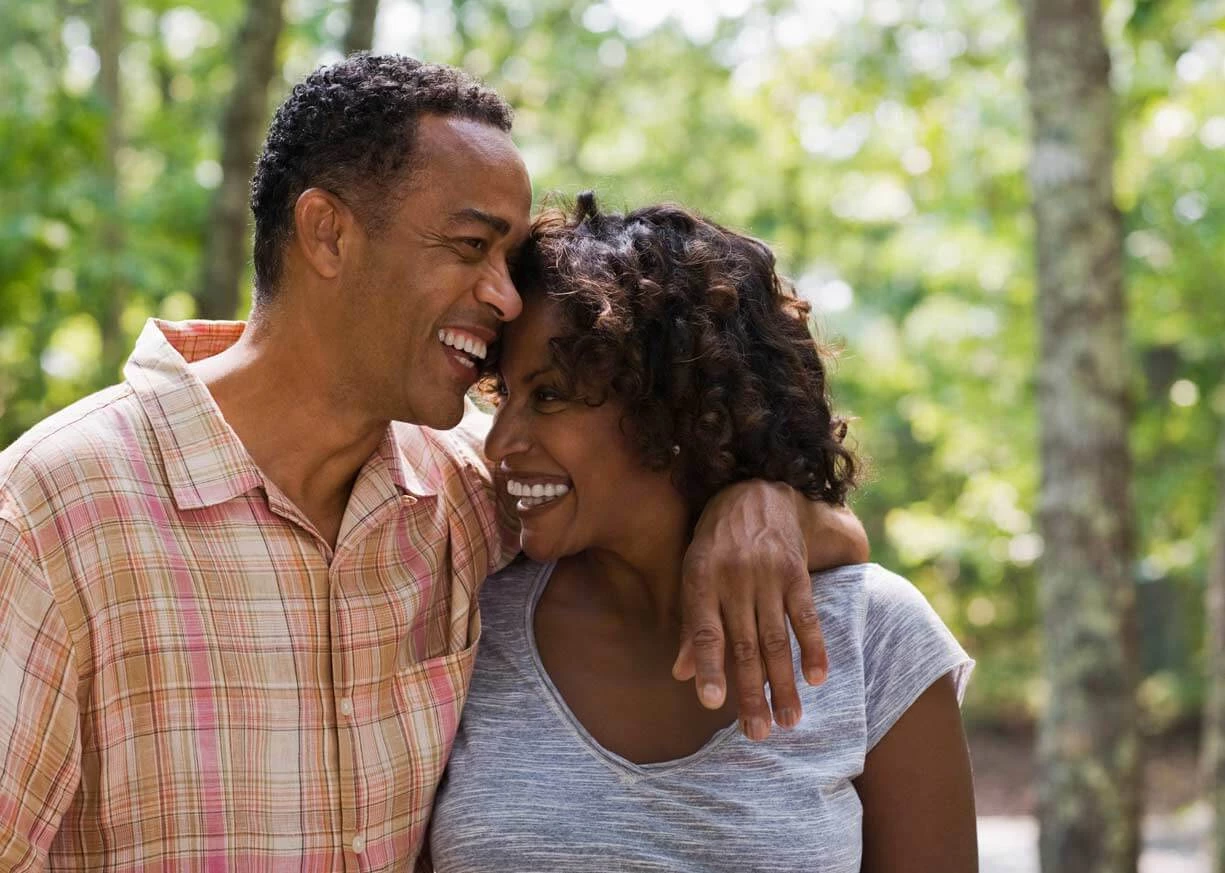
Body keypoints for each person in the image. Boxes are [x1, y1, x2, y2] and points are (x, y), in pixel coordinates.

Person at [0, 56, 868, 871]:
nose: (506, 294)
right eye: (469, 247)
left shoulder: (470, 496)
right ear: (327, 232)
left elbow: (656, 510)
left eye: (508, 255)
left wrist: (767, 504)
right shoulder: (53, 510)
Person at [428, 195, 978, 872]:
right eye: (504, 396)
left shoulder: (874, 635)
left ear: (676, 407)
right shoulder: (471, 620)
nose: (501, 440)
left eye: (548, 395)